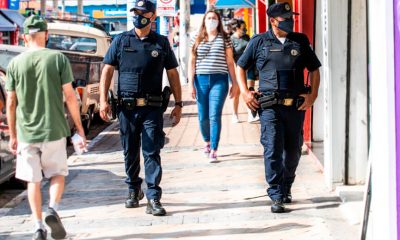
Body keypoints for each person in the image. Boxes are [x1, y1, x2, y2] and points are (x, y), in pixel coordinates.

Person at [6, 16, 86, 240]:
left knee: (33, 180)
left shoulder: (14, 63)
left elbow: (11, 102)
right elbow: (70, 97)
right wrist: (79, 128)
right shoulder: (58, 59)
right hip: (54, 129)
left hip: (26, 132)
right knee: (57, 174)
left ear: (24, 37)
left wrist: (13, 134)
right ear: (46, 34)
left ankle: (38, 227)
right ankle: (53, 209)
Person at [99, 0, 182, 216]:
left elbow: (172, 73)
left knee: (152, 151)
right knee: (130, 151)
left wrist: (179, 104)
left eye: (142, 13)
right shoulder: (120, 40)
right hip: (126, 108)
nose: (138, 16)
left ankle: (153, 196)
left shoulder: (161, 43)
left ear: (152, 17)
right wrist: (102, 100)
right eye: (135, 12)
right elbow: (107, 70)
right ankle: (133, 189)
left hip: (152, 108)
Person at [236, 2, 321, 213]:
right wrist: (246, 93)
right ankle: (275, 193)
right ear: (273, 21)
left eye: (291, 17)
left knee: (293, 151)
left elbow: (315, 69)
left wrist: (313, 95)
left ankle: (286, 186)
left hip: (295, 107)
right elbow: (241, 66)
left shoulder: (300, 41)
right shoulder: (259, 41)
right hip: (269, 108)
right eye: (285, 18)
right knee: (272, 149)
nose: (290, 21)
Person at [188, 9, 239, 163]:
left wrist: (234, 83)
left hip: (219, 80)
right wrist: (191, 84)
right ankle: (207, 142)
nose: (211, 20)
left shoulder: (225, 38)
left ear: (219, 21)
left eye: (214, 18)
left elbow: (230, 62)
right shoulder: (196, 38)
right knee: (203, 116)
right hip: (200, 80)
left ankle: (214, 149)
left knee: (214, 115)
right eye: (209, 18)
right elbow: (192, 62)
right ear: (204, 20)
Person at [230, 19, 259, 123]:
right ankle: (234, 114)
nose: (245, 30)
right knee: (237, 93)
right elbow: (230, 58)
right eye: (243, 28)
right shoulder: (231, 40)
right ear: (237, 28)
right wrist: (234, 73)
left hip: (249, 68)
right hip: (238, 69)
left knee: (250, 91)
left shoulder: (247, 37)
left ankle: (251, 114)